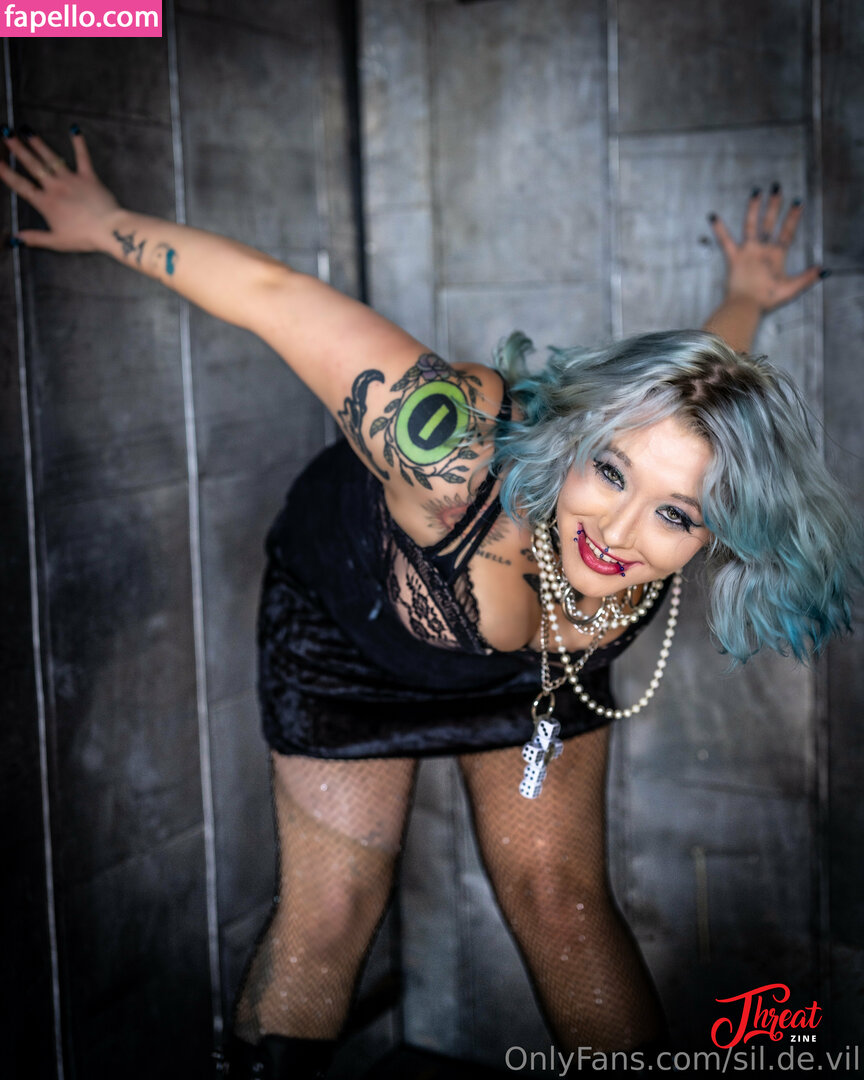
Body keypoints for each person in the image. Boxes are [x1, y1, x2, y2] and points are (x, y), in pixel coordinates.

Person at [2, 127, 859, 1080]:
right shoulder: (449, 446)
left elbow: (706, 391)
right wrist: (107, 223)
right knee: (330, 918)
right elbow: (277, 297)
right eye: (608, 471)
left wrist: (745, 298)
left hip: (540, 683)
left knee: (563, 903)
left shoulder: (684, 461)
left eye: (674, 515)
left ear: (722, 529)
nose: (616, 534)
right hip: (352, 634)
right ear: (580, 432)